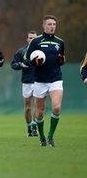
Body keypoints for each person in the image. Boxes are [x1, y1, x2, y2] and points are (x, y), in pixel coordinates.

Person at [24, 15, 65, 147]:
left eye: (54, 24)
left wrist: (61, 60)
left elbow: (62, 59)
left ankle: (51, 136)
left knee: (57, 107)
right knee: (40, 112)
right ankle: (42, 137)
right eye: (49, 24)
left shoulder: (60, 42)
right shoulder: (36, 41)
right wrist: (34, 62)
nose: (52, 26)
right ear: (43, 26)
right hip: (40, 81)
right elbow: (26, 60)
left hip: (55, 79)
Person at [11, 31, 38, 137]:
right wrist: (21, 65)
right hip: (27, 82)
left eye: (34, 38)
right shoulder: (22, 51)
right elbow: (13, 64)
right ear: (27, 39)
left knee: (38, 106)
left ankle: (35, 127)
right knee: (28, 107)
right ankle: (29, 127)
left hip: (39, 81)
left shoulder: (42, 51)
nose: (32, 40)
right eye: (30, 38)